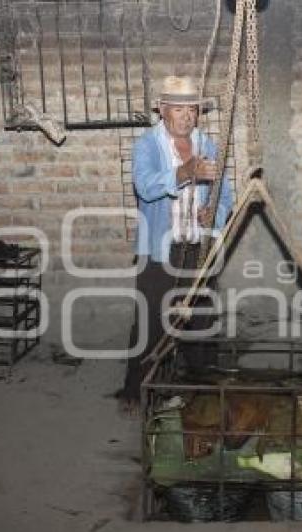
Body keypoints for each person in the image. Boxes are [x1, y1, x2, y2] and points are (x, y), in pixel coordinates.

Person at [116, 76, 234, 412]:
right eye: (179, 109)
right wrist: (184, 173)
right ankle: (134, 390)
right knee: (151, 321)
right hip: (159, 250)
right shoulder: (147, 146)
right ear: (162, 110)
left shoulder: (209, 145)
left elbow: (226, 194)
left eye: (192, 109)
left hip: (197, 248)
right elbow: (146, 186)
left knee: (201, 320)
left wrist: (216, 211)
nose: (187, 116)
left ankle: (202, 392)